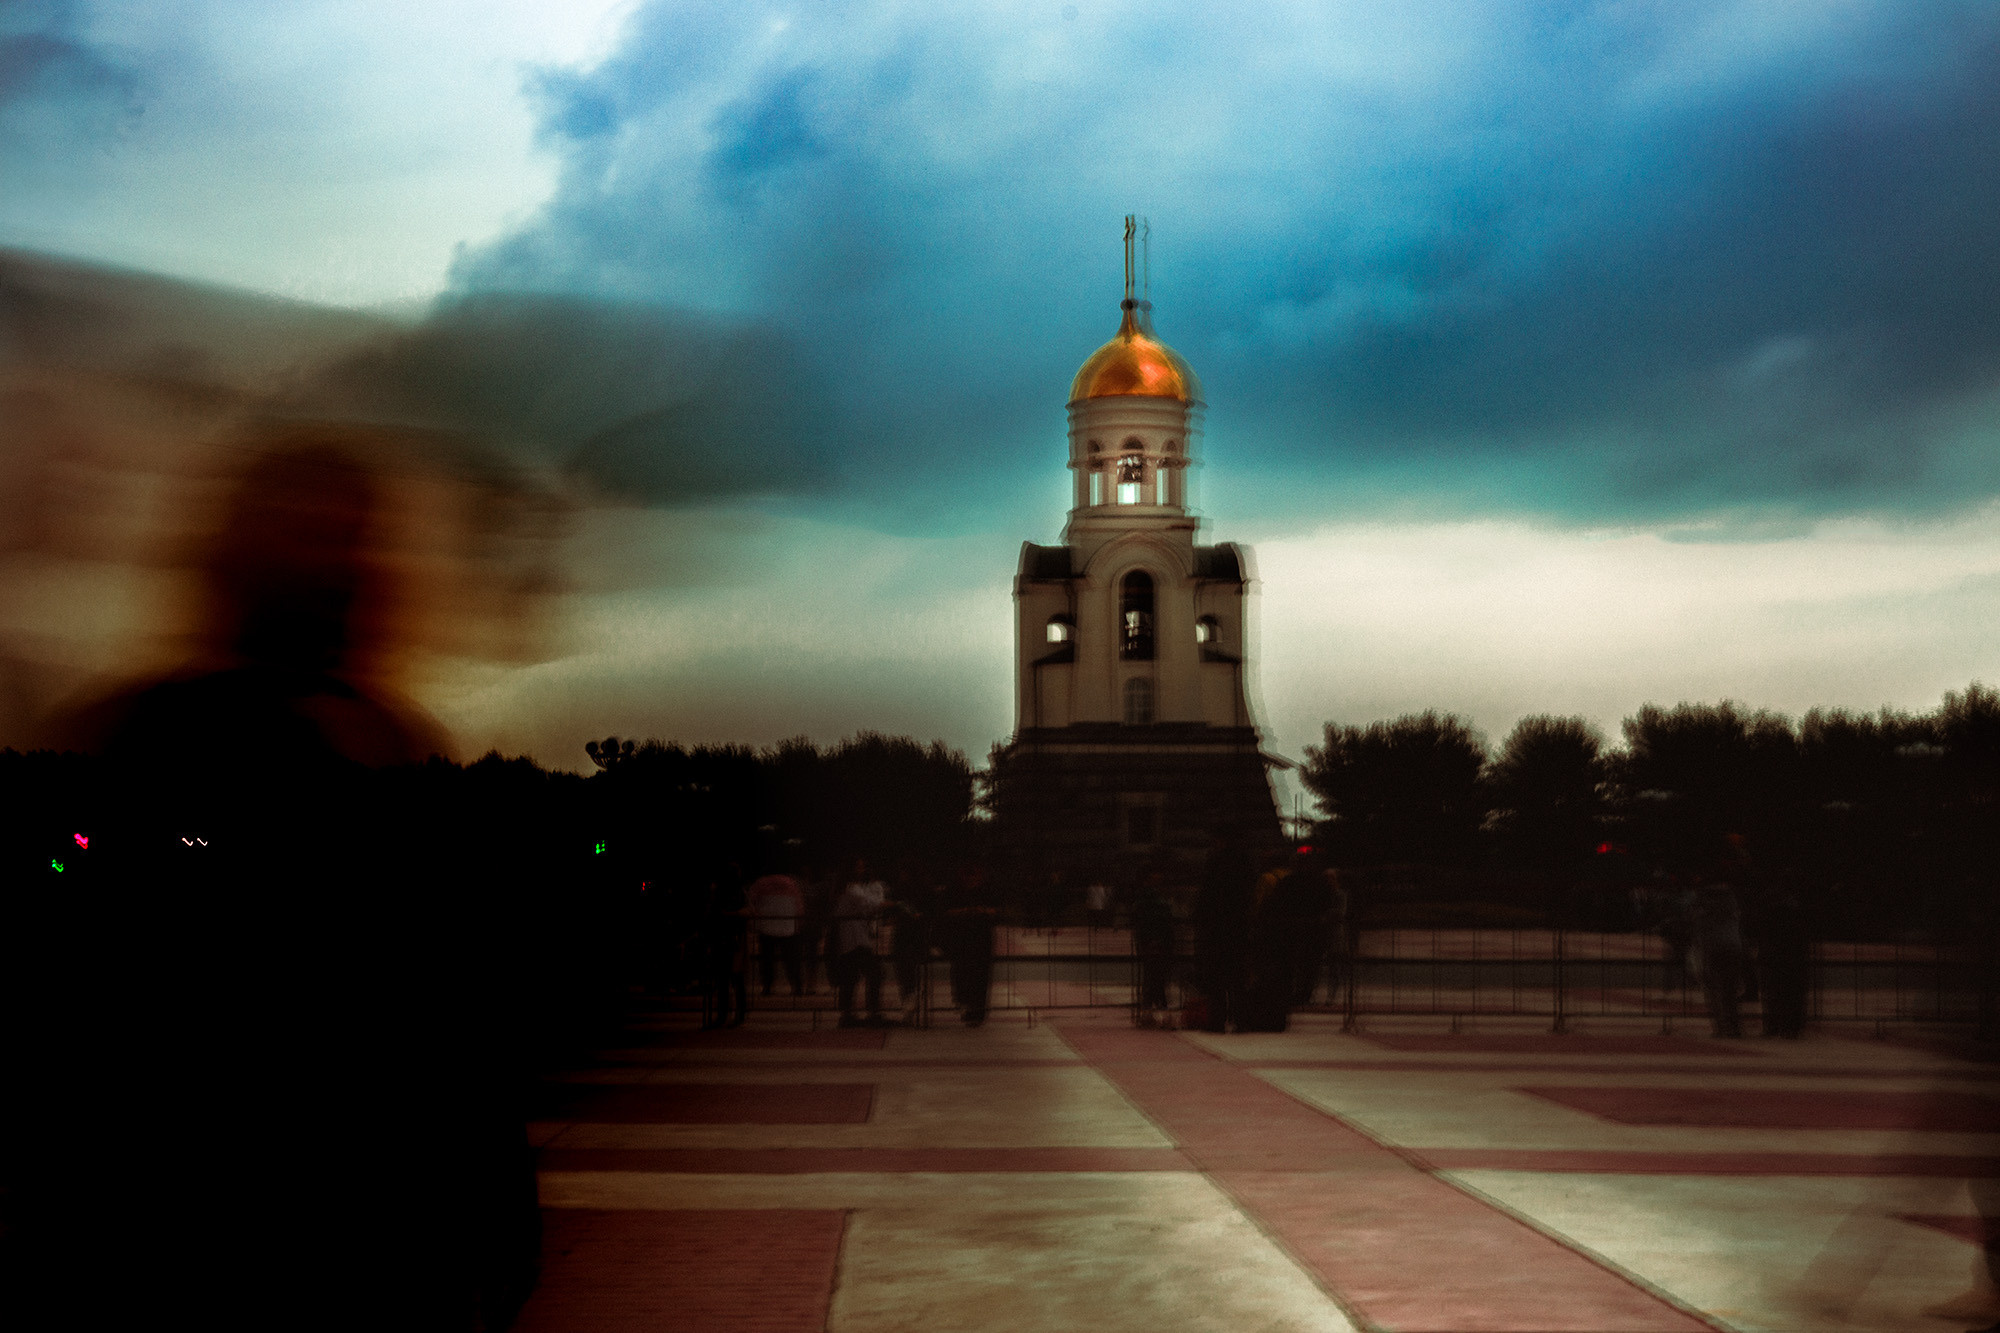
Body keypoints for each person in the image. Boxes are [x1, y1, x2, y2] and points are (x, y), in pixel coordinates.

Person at [1192, 829, 1255, 1032]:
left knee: (1216, 979)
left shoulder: (1215, 863)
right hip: (1238, 927)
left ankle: (1217, 1021)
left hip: (1216, 929)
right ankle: (1241, 1021)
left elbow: (1206, 896)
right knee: (1237, 979)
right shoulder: (1245, 862)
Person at [940, 863, 998, 1025]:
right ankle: (966, 1005)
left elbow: (996, 910)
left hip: (981, 938)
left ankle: (977, 1010)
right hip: (962, 938)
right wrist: (965, 912)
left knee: (980, 974)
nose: (972, 880)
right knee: (963, 973)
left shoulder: (986, 890)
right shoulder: (955, 891)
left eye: (975, 877)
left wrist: (982, 911)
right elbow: (946, 911)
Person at [833, 860, 889, 1028]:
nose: (863, 869)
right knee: (875, 972)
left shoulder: (847, 888)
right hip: (855, 939)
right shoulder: (852, 889)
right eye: (859, 866)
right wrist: (890, 904)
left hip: (853, 938)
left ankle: (848, 1014)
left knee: (851, 975)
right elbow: (869, 903)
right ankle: (871, 1011)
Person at [745, 862, 806, 998]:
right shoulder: (791, 883)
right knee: (791, 960)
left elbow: (751, 902)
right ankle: (797, 986)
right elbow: (799, 905)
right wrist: (799, 924)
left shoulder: (761, 883)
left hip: (766, 926)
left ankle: (767, 986)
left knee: (767, 960)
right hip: (788, 926)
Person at [701, 864, 750, 1028]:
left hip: (724, 937)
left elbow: (711, 915)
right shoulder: (738, 892)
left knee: (724, 980)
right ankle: (738, 1014)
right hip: (734, 937)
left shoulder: (719, 893)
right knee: (735, 979)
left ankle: (725, 1015)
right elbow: (748, 911)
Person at [1130, 868, 1177, 1025]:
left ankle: (1152, 1010)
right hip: (1153, 940)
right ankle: (1153, 1010)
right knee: (1154, 976)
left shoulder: (1151, 898)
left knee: (1155, 976)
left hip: (1155, 940)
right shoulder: (1149, 899)